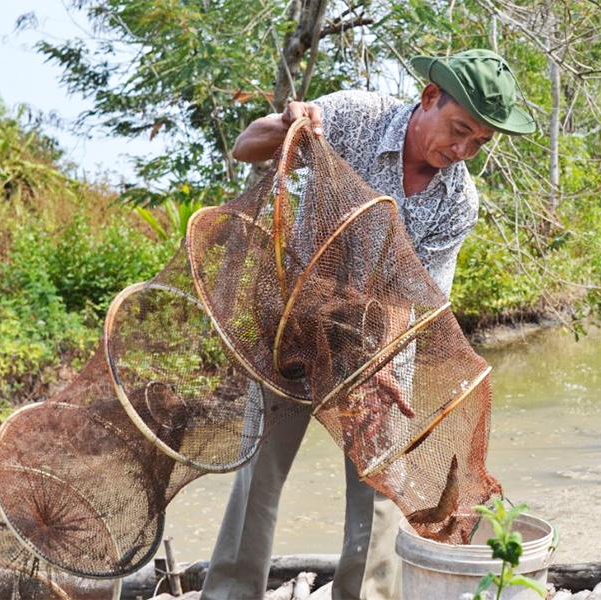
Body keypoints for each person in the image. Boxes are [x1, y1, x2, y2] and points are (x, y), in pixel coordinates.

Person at [200, 48, 536, 600]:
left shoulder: (458, 200)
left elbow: (419, 296)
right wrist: (291, 123)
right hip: (298, 328)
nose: (461, 150)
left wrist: (381, 365)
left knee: (380, 494)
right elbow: (246, 147)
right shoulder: (354, 116)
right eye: (458, 130)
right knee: (258, 477)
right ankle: (229, 593)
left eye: (478, 142)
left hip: (381, 348)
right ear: (429, 98)